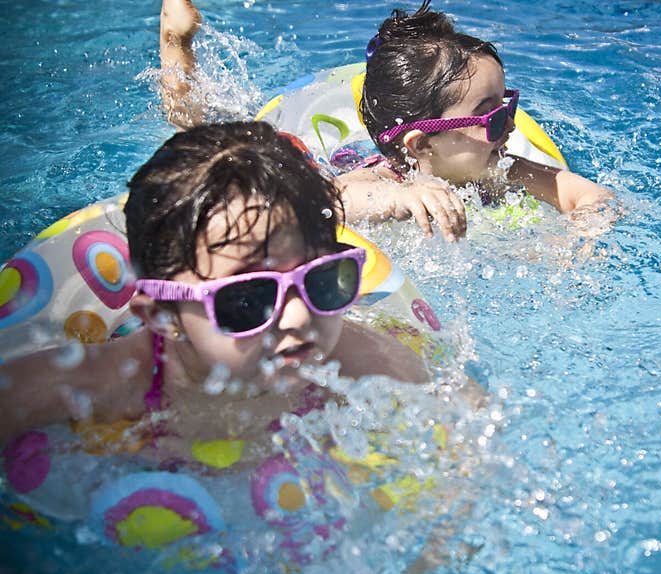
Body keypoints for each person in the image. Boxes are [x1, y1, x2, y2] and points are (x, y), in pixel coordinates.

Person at [0, 121, 428, 447]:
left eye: (321, 281)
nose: (299, 316)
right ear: (162, 316)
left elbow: (462, 428)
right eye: (248, 298)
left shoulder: (355, 360)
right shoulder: (95, 387)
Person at [158, 0, 616, 244]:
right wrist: (400, 196)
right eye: (490, 119)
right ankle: (175, 42)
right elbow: (330, 202)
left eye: (508, 108)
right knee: (203, 139)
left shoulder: (501, 170)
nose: (509, 129)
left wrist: (583, 233)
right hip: (326, 160)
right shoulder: (382, 177)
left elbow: (587, 194)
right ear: (420, 146)